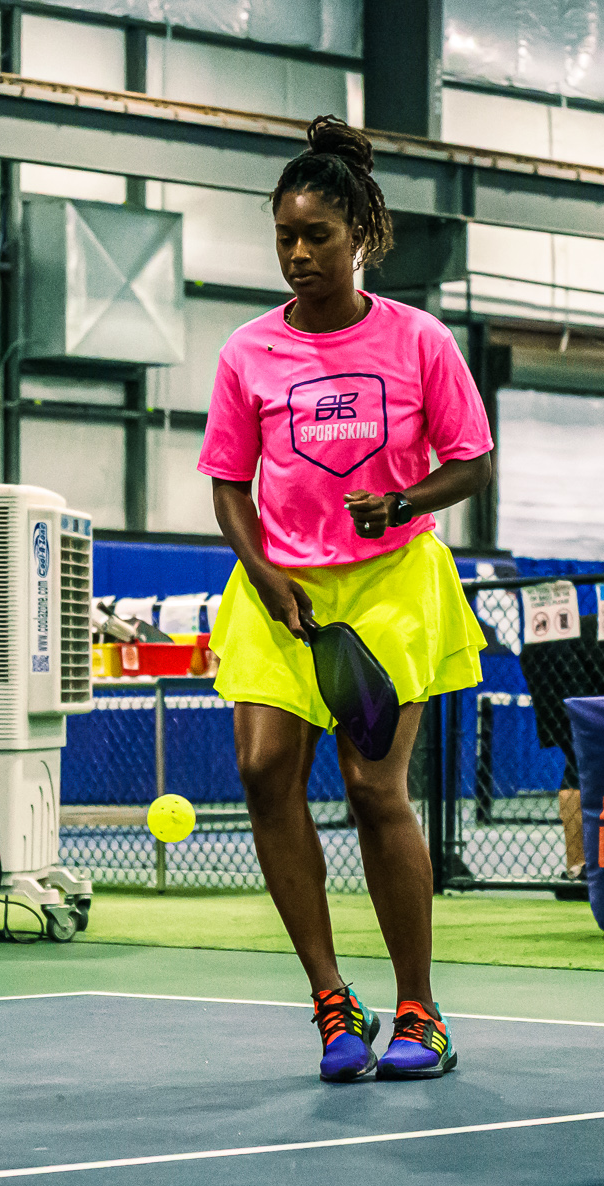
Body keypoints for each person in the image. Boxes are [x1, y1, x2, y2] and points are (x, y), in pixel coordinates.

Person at [200, 116, 493, 1084]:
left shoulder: (417, 339)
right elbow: (228, 482)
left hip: (390, 583)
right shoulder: (247, 350)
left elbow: (471, 463)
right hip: (277, 582)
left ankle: (420, 1009)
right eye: (284, 236)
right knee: (262, 771)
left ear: (358, 235)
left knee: (372, 788)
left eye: (315, 236)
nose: (297, 254)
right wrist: (261, 570)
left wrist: (402, 500)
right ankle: (332, 1000)